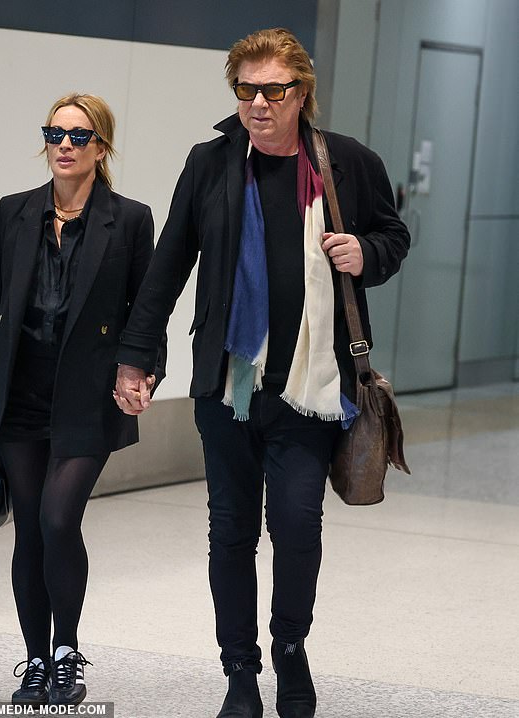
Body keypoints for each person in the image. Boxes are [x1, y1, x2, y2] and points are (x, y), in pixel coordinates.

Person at [114, 28, 410, 718]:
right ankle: (239, 672)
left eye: (273, 90)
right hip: (229, 387)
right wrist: (137, 356)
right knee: (230, 531)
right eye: (245, 90)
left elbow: (394, 238)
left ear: (301, 92)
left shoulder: (347, 164)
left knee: (299, 526)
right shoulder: (212, 163)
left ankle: (289, 648)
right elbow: (167, 266)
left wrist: (365, 253)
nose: (257, 104)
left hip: (310, 389)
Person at [0, 93, 163, 707]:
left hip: (86, 398)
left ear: (102, 147)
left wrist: (143, 373)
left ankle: (68, 650)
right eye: (56, 134)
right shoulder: (13, 213)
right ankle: (36, 659)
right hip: (17, 393)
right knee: (29, 530)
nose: (65, 146)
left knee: (56, 517)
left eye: (79, 136)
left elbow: (145, 311)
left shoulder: (128, 219)